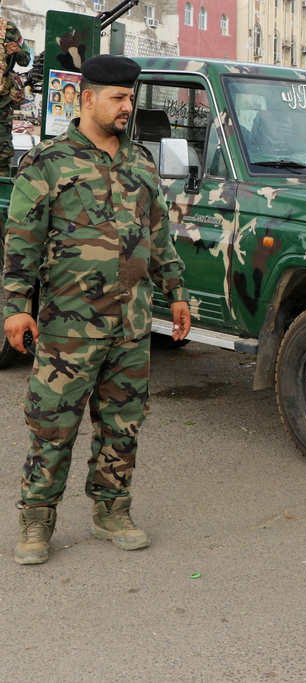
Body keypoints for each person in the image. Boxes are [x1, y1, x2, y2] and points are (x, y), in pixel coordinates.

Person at [4, 54, 191, 565]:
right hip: (68, 325)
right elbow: (22, 239)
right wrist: (17, 307)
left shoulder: (141, 164)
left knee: (122, 423)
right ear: (87, 99)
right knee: (53, 424)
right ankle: (37, 519)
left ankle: (112, 510)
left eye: (131, 97)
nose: (127, 106)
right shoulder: (48, 162)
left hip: (131, 324)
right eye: (118, 97)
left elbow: (159, 236)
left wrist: (175, 292)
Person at [0, 10, 29, 177]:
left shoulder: (8, 29)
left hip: (2, 104)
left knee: (2, 153)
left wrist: (17, 51)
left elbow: (25, 60)